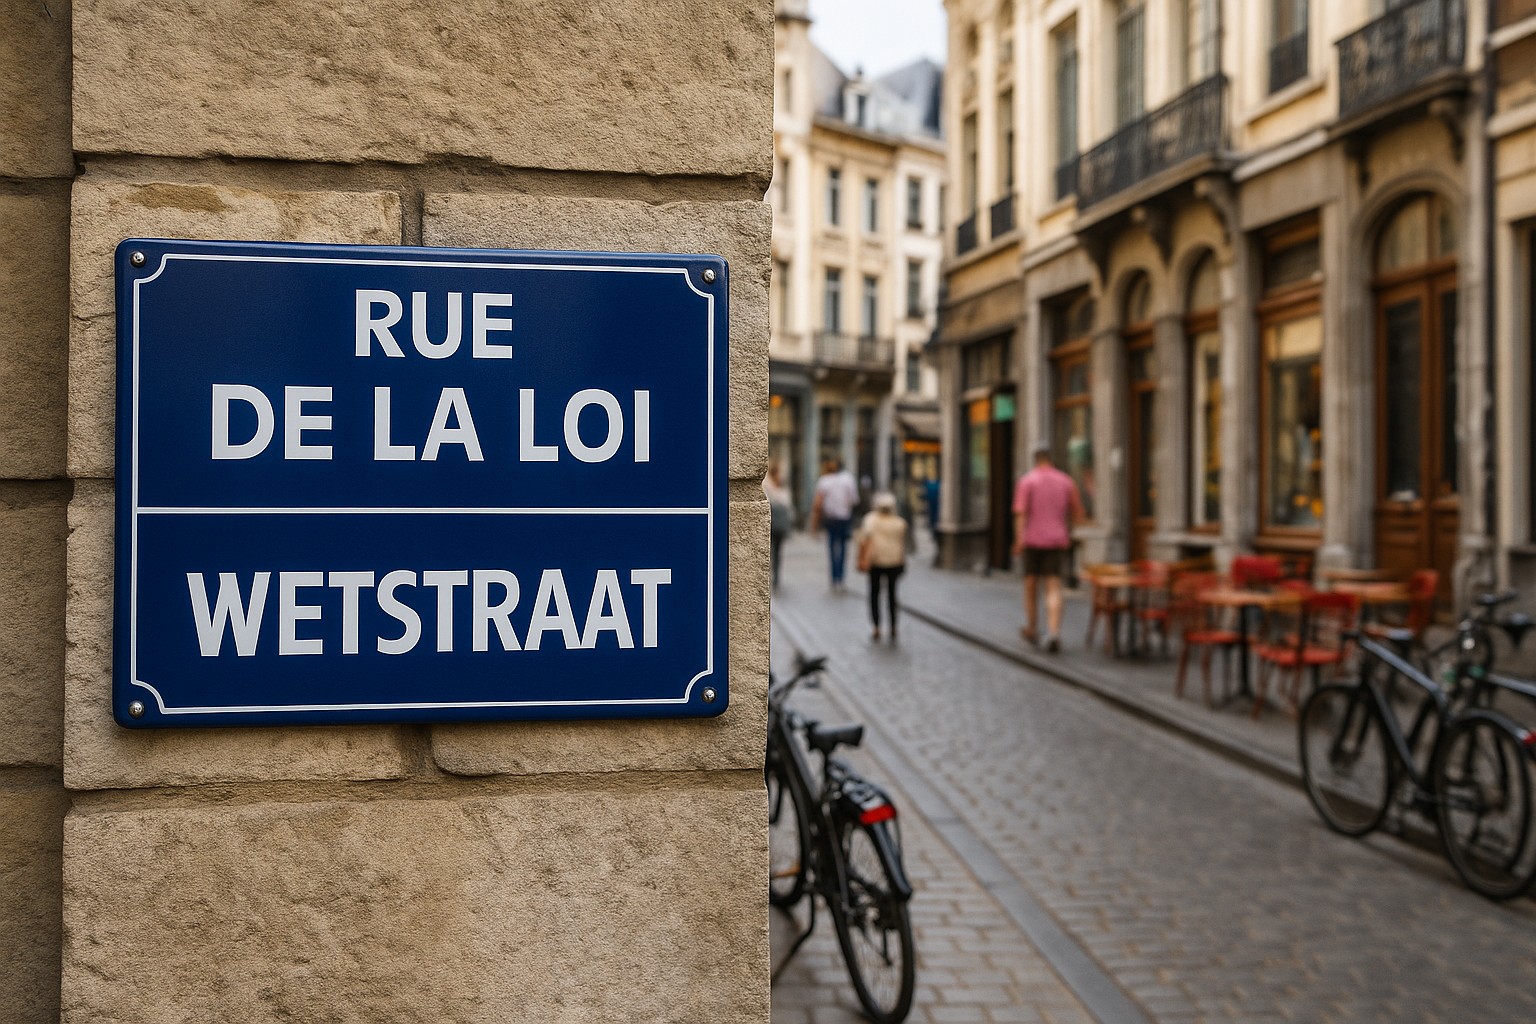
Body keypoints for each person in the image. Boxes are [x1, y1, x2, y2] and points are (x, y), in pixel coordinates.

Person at [1013, 442, 1085, 653]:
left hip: (1032, 540)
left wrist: (1019, 540)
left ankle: (1033, 627)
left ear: (1035, 460)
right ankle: (1054, 632)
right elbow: (1078, 513)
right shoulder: (1066, 481)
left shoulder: (1027, 481)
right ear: (1051, 459)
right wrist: (1068, 529)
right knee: (1054, 586)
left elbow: (1021, 513)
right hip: (1056, 540)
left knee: (1031, 586)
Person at [858, 492, 908, 640]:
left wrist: (860, 558)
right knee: (892, 594)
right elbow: (903, 543)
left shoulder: (870, 520)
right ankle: (893, 626)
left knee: (874, 593)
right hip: (894, 561)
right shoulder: (899, 523)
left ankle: (876, 626)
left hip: (876, 561)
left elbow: (863, 540)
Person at [809, 457, 859, 589]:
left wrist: (814, 525)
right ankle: (840, 577)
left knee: (832, 547)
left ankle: (834, 577)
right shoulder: (848, 479)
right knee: (842, 547)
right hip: (844, 517)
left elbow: (818, 503)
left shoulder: (824, 480)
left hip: (831, 518)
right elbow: (854, 499)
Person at [763, 460, 794, 590]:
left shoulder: (773, 487)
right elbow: (788, 506)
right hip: (775, 523)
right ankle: (772, 575)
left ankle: (774, 575)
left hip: (776, 523)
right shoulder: (772, 487)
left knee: (775, 550)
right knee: (774, 551)